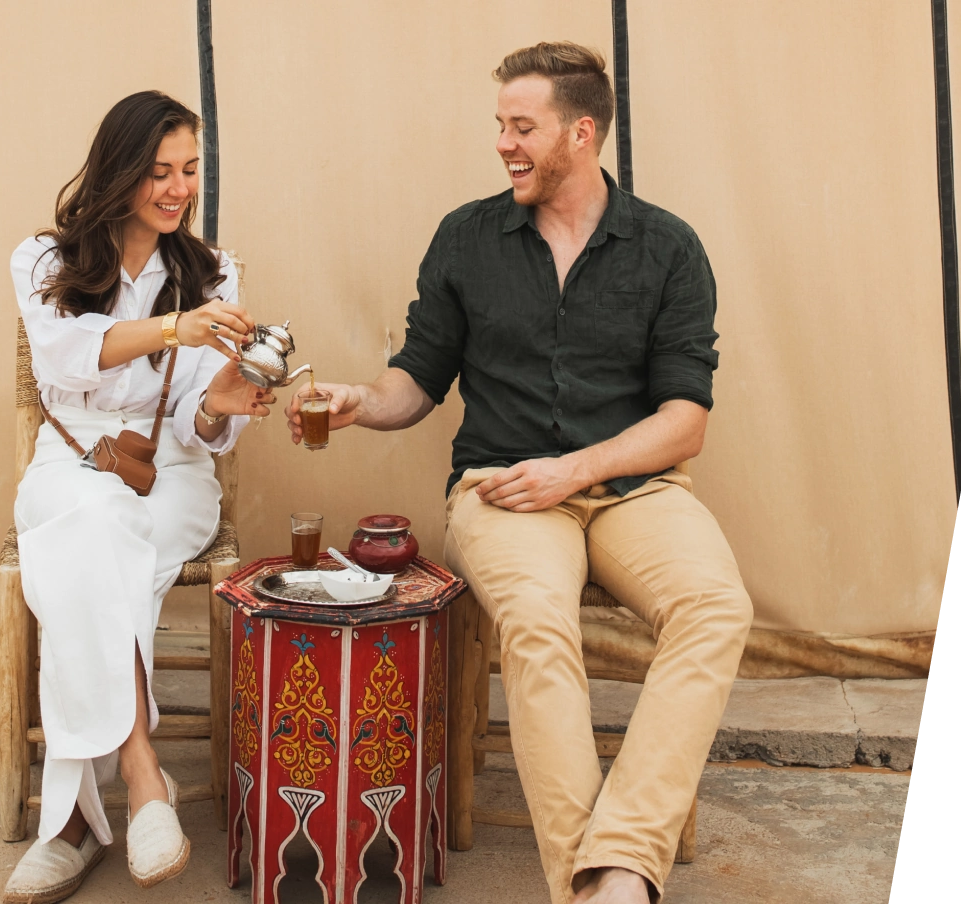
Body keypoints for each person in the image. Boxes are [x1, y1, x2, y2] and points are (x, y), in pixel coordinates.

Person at [287, 42, 752, 904]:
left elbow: (684, 420)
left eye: (522, 127)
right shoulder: (467, 238)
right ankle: (596, 887)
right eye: (501, 124)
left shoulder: (668, 247)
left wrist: (574, 471)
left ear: (581, 132)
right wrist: (361, 400)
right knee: (538, 622)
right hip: (503, 492)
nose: (504, 143)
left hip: (633, 488)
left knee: (718, 608)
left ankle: (620, 862)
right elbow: (418, 380)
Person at [4, 90, 273, 903]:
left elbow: (197, 421)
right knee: (93, 523)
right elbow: (62, 359)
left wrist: (219, 402)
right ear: (118, 170)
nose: (177, 188)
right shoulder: (43, 260)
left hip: (171, 475)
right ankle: (143, 771)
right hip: (70, 461)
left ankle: (73, 825)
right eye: (159, 171)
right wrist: (171, 329)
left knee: (93, 544)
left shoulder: (210, 271)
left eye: (189, 169)